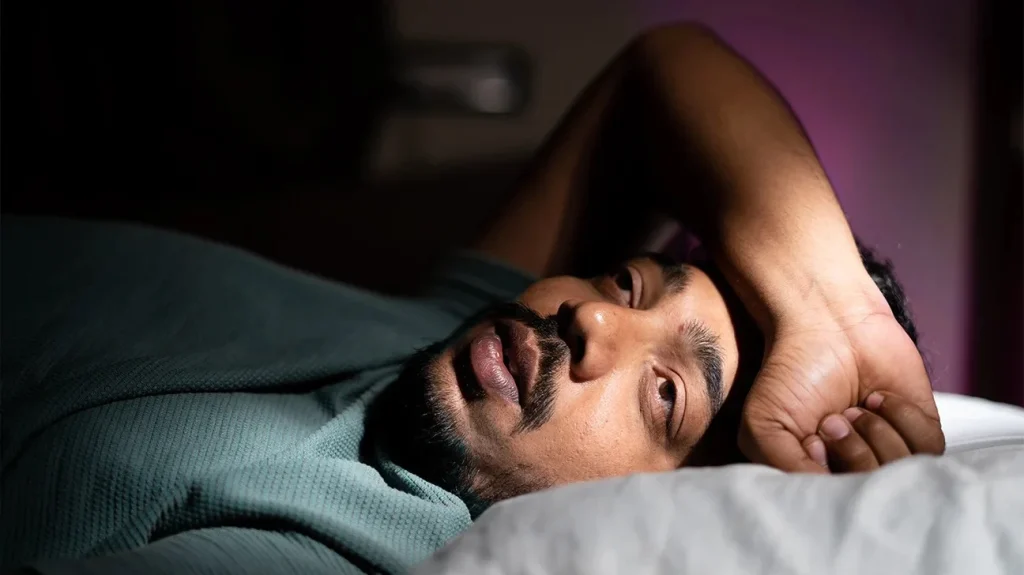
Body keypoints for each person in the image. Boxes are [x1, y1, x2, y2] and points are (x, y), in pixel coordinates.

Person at [1, 23, 941, 574]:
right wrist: (835, 316)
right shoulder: (444, 335)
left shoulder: (342, 548)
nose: (594, 319)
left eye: (666, 394)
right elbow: (666, 68)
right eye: (628, 281)